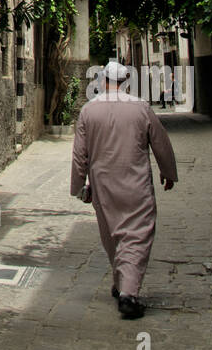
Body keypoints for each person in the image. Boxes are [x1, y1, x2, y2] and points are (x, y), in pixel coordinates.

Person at [71, 59, 178, 319]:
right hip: (135, 183)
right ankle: (129, 293)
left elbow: (79, 155)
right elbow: (161, 143)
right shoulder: (140, 108)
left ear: (102, 82)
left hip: (102, 184)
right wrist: (168, 171)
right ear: (125, 82)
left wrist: (78, 186)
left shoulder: (88, 111)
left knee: (112, 234)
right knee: (137, 234)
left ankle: (122, 283)